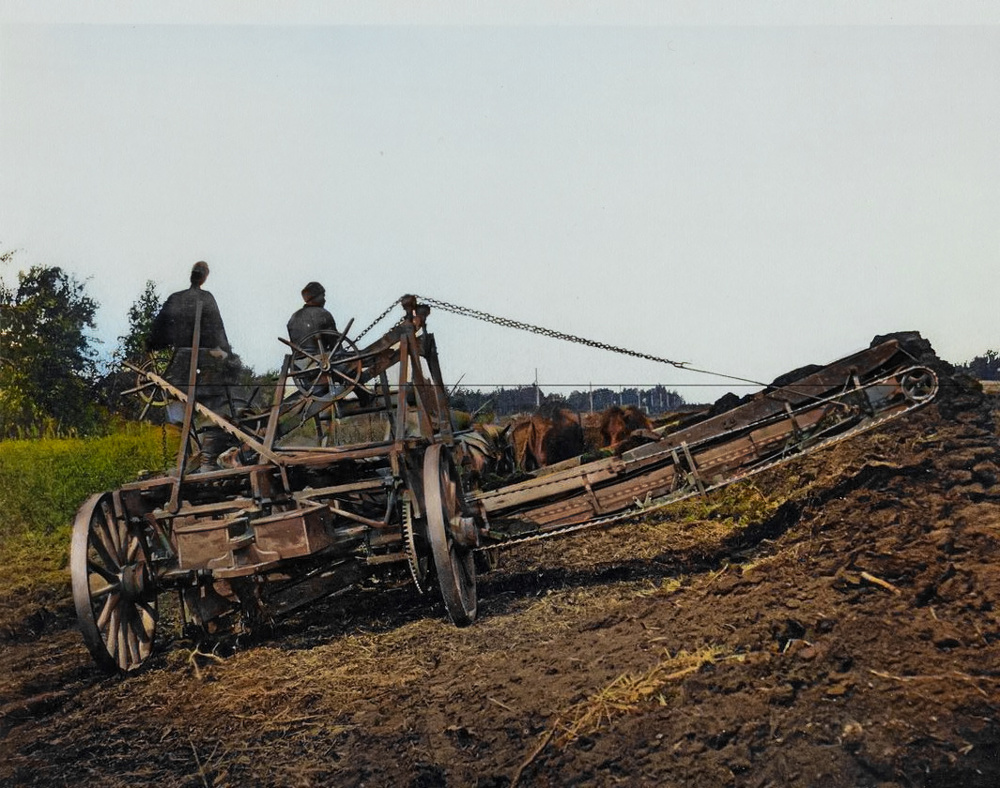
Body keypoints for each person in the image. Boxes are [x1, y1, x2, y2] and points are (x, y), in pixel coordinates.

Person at [146, 260, 237, 471]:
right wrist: (227, 354)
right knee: (212, 417)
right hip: (207, 368)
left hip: (179, 367)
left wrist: (151, 346)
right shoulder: (207, 299)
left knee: (176, 418)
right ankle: (207, 465)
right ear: (205, 277)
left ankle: (178, 466)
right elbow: (219, 332)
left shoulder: (175, 299)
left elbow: (157, 334)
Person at [286, 281, 338, 348]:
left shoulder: (293, 318)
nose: (324, 300)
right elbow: (335, 344)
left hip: (298, 357)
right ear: (316, 297)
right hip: (322, 357)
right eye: (323, 296)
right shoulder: (324, 314)